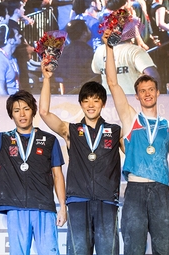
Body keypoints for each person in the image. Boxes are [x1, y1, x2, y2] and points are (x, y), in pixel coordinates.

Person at [102, 29, 169, 255]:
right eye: (142, 91)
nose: (147, 94)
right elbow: (112, 84)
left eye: (151, 90)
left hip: (161, 192)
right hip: (135, 191)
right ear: (137, 96)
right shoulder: (131, 119)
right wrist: (109, 48)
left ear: (158, 92)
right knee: (133, 249)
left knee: (165, 249)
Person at [0, 88, 66, 255]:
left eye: (26, 109)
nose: (22, 114)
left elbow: (57, 176)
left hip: (44, 207)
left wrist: (63, 207)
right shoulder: (2, 140)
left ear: (33, 112)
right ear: (11, 114)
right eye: (16, 110)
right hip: (16, 208)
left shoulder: (49, 140)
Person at [39, 64, 122, 255]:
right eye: (86, 101)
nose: (90, 105)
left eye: (95, 100)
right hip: (78, 202)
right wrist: (47, 79)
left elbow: (137, 148)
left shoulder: (115, 131)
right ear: (81, 104)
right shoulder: (71, 131)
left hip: (107, 201)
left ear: (103, 103)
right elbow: (44, 113)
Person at [91, 24, 161, 94]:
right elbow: (153, 76)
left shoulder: (100, 50)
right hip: (132, 101)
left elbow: (96, 71)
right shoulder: (135, 51)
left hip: (108, 101)